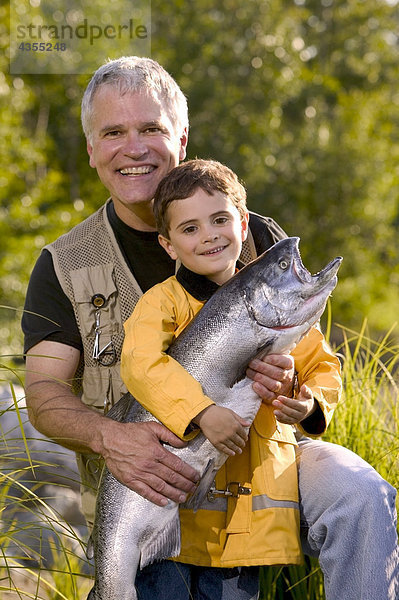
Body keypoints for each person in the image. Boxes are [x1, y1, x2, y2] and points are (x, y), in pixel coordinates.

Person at [21, 56, 398, 600]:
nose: (134, 148)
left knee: (360, 493)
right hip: (149, 485)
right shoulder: (63, 265)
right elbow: (43, 394)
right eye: (113, 133)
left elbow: (313, 358)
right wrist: (112, 437)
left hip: (260, 463)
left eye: (151, 128)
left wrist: (301, 395)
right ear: (91, 150)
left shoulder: (251, 233)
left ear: (182, 136)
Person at [120, 157, 341, 590]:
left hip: (247, 531)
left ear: (242, 222)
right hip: (172, 525)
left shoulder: (285, 309)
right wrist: (201, 412)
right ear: (169, 246)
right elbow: (140, 363)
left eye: (220, 219)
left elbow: (324, 367)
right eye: (190, 229)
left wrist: (307, 403)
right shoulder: (160, 303)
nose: (209, 236)